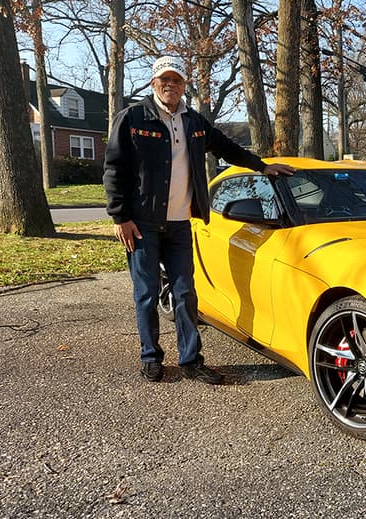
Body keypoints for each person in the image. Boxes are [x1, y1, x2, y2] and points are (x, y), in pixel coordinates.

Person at [103, 56, 294, 384]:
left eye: (176, 79)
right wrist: (121, 217)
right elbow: (113, 168)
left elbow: (226, 147)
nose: (170, 85)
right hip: (143, 224)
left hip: (180, 224)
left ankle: (191, 360)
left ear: (183, 85)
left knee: (186, 292)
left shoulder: (193, 122)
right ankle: (151, 356)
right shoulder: (133, 118)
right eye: (165, 79)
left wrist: (261, 167)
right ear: (153, 83)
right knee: (147, 293)